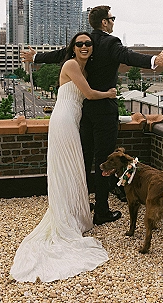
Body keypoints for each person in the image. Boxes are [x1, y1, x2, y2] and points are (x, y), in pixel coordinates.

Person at [21, 6, 163, 225]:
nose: (113, 22)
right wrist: (153, 61)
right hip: (103, 111)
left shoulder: (83, 44)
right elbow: (127, 56)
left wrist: (36, 56)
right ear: (104, 22)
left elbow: (59, 55)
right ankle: (101, 211)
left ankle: (82, 203)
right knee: (105, 162)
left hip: (83, 113)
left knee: (83, 160)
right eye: (112, 18)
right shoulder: (110, 43)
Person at [10, 32, 116, 283]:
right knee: (69, 166)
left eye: (88, 43)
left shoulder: (83, 65)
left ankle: (73, 212)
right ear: (73, 47)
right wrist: (110, 94)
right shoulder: (70, 64)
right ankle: (68, 216)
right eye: (79, 44)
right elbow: (89, 94)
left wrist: (36, 56)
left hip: (72, 119)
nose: (84, 47)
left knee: (72, 168)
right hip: (65, 119)